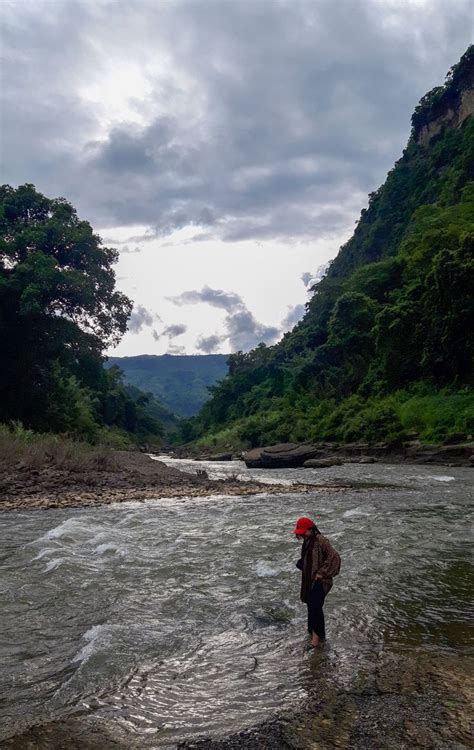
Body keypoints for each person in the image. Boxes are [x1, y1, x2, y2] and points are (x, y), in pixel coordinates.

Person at [293, 516, 341, 648]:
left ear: (311, 529)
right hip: (310, 581)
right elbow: (311, 559)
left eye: (303, 532)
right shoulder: (308, 540)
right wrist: (302, 563)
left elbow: (335, 558)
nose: (301, 535)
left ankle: (315, 641)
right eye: (300, 533)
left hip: (322, 581)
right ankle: (317, 636)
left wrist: (321, 573)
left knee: (315, 609)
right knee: (311, 606)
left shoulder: (321, 540)